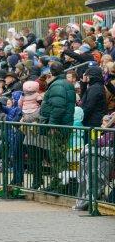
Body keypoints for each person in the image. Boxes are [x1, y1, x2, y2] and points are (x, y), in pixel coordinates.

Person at [39, 61, 76, 191]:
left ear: (52, 72)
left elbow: (58, 107)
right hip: (63, 125)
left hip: (58, 127)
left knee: (57, 157)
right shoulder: (65, 83)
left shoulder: (58, 85)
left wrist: (52, 125)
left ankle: (61, 185)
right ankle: (56, 183)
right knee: (56, 156)